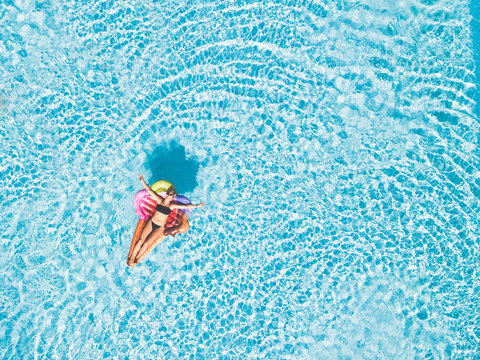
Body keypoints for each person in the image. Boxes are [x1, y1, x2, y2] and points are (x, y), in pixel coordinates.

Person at [127, 174, 205, 267]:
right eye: (169, 193)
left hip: (160, 227)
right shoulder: (159, 200)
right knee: (140, 241)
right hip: (151, 222)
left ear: (172, 197)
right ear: (167, 194)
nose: (169, 194)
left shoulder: (172, 206)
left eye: (171, 194)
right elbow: (149, 190)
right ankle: (131, 258)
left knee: (147, 243)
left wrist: (197, 205)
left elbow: (186, 206)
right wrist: (142, 180)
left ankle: (136, 259)